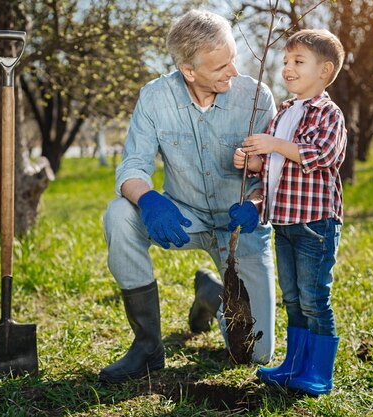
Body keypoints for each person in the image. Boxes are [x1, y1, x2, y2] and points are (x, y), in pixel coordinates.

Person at [100, 9, 278, 384]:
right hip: (184, 216)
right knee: (119, 213)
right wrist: (148, 200)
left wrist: (257, 204)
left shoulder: (257, 96)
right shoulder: (154, 98)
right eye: (220, 67)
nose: (233, 71)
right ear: (188, 70)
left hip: (240, 226)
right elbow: (131, 168)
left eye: (233, 58)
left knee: (255, 354)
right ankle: (148, 348)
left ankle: (212, 295)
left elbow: (277, 174)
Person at [229, 28, 346, 395]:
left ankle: (319, 373)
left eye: (298, 61)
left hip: (316, 224)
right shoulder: (284, 112)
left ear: (325, 70)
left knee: (314, 299)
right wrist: (252, 163)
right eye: (285, 62)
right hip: (284, 222)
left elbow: (322, 155)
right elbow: (275, 169)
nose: (288, 69)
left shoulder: (328, 113)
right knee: (293, 298)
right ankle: (294, 365)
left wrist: (275, 143)